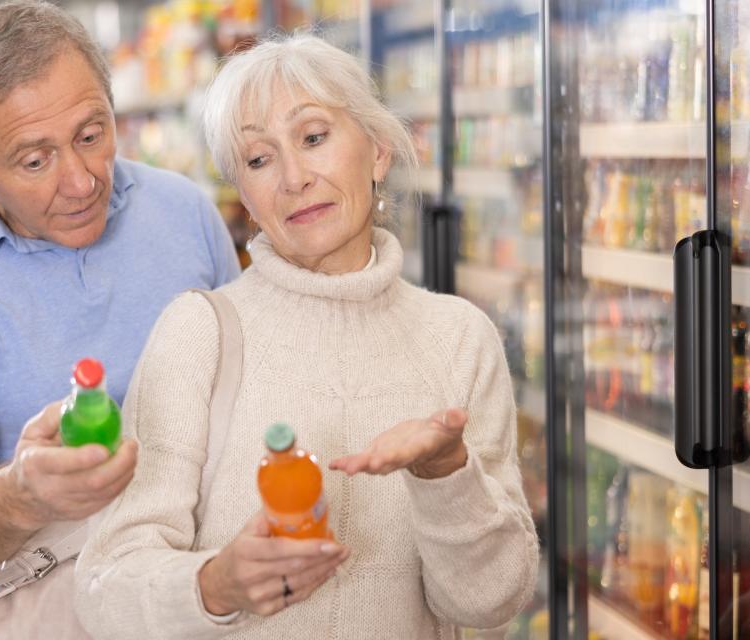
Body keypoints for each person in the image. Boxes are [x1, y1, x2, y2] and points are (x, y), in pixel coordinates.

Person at [74, 34, 540, 639]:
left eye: (314, 138)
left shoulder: (458, 339)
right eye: (260, 160)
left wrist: (447, 472)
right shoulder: (200, 334)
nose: (294, 177)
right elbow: (103, 589)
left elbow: (490, 601)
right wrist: (215, 585)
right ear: (245, 197)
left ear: (376, 152)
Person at [0, 0, 242, 623]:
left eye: (91, 135)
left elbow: (246, 397)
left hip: (197, 603)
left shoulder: (184, 211)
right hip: (44, 615)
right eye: (34, 159)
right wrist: (23, 493)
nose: (80, 181)